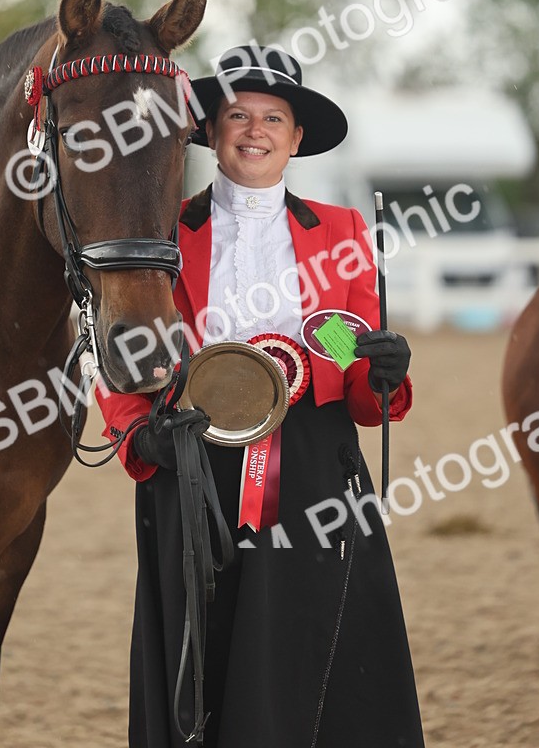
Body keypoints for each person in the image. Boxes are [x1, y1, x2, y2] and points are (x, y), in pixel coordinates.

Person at [96, 46, 424, 748]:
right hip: (189, 462)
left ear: (296, 138)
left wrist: (384, 371)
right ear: (210, 131)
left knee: (315, 652)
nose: (255, 131)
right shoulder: (161, 231)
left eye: (273, 118)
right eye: (237, 115)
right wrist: (136, 432)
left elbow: (354, 373)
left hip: (312, 470)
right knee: (201, 657)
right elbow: (118, 351)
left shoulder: (341, 233)